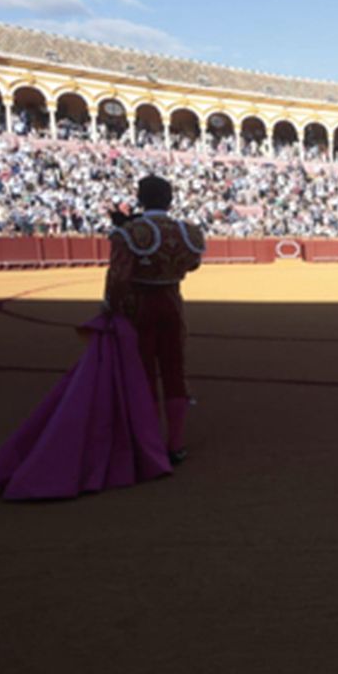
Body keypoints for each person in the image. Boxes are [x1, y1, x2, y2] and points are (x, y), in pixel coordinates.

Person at [104, 175, 206, 464]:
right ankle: (175, 444)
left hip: (139, 307)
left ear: (140, 198)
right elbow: (193, 264)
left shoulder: (129, 232)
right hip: (172, 304)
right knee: (174, 370)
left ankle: (147, 444)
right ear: (170, 199)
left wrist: (110, 308)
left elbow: (119, 277)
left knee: (143, 372)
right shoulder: (187, 232)